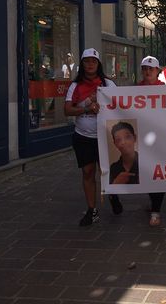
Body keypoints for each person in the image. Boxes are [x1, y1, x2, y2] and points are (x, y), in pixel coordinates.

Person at [64, 48, 119, 226]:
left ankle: (113, 194)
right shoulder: (75, 86)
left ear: (98, 64)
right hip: (83, 137)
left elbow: (120, 105)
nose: (90, 64)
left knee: (109, 171)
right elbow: (67, 109)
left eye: (93, 61)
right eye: (86, 61)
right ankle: (92, 210)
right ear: (82, 64)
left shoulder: (108, 85)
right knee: (88, 172)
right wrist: (87, 108)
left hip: (106, 136)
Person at [136, 55, 166, 225]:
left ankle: (156, 210)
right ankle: (153, 203)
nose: (147, 72)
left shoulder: (165, 89)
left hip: (160, 140)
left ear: (157, 71)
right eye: (145, 69)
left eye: (151, 69)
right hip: (142, 139)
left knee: (159, 173)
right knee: (147, 172)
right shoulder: (134, 90)